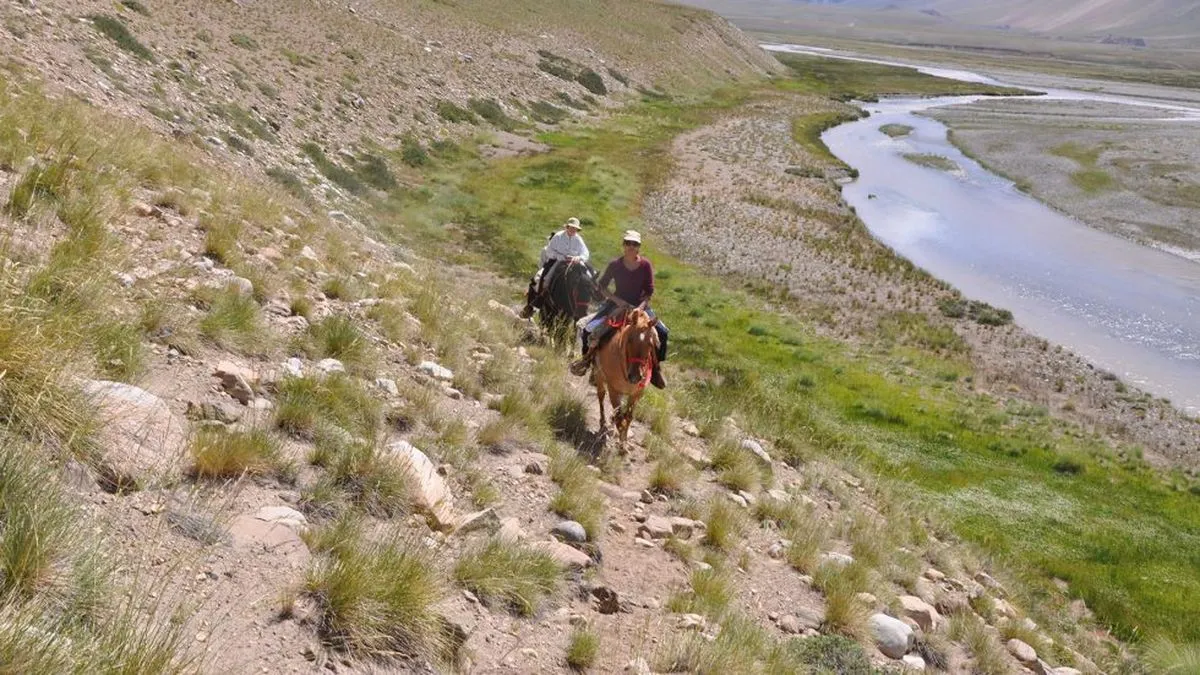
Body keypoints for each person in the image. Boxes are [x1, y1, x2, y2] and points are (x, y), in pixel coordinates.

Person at [569, 229, 668, 389]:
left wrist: (639, 309)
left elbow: (649, 291)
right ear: (623, 245)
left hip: (640, 306)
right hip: (616, 304)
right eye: (628, 243)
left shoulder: (645, 265)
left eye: (634, 244)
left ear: (639, 247)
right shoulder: (615, 264)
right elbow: (602, 286)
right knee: (590, 329)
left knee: (663, 333)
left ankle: (656, 370)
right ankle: (588, 363)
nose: (630, 246)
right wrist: (617, 301)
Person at [520, 217, 589, 319]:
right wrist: (559, 256)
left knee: (588, 277)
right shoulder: (558, 236)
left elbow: (585, 253)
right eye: (571, 227)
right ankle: (539, 297)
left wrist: (578, 258)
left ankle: (586, 301)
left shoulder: (579, 239)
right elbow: (549, 251)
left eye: (575, 228)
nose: (573, 230)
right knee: (544, 277)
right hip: (558, 261)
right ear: (567, 227)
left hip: (574, 262)